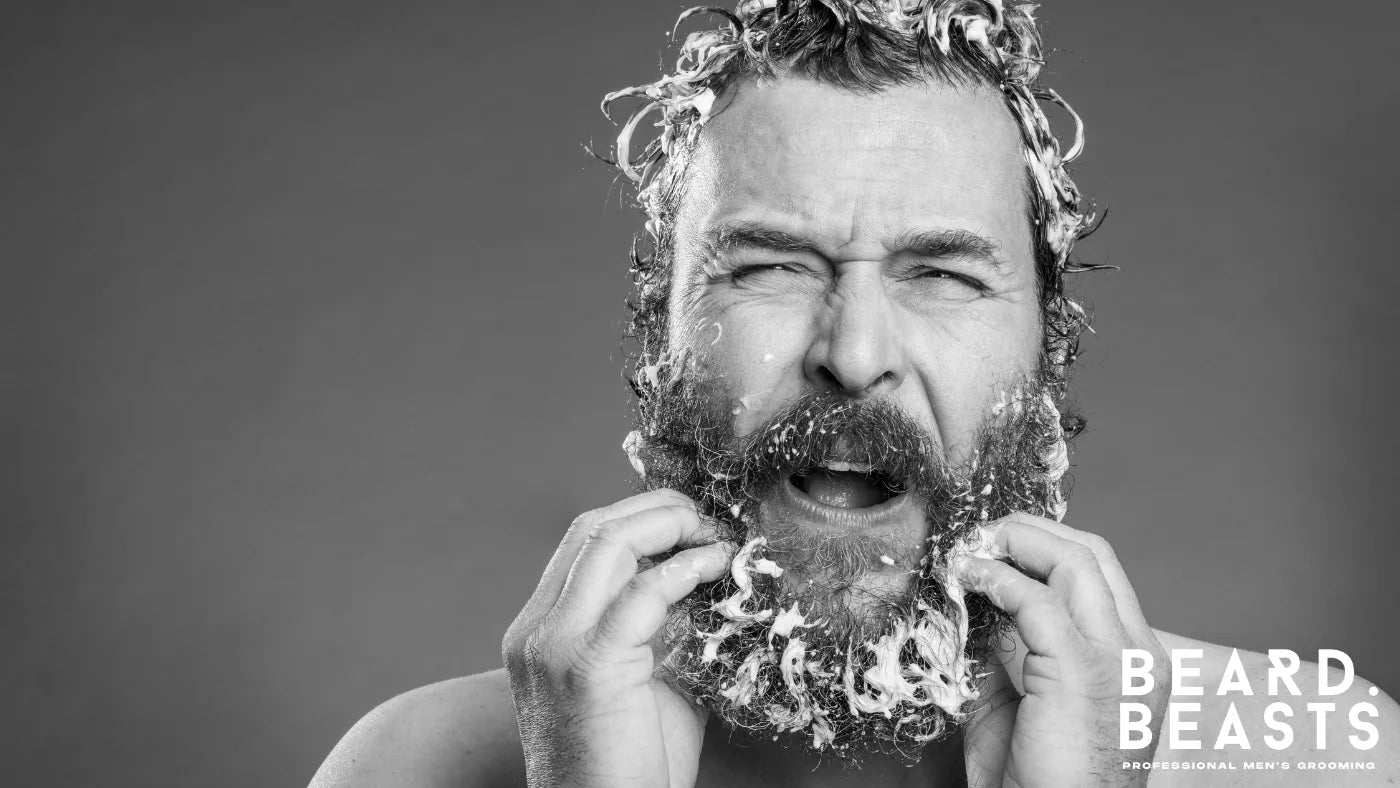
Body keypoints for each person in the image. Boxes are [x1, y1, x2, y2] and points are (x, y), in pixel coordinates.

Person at [310, 1, 1400, 785]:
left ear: (1047, 341)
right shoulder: (409, 766)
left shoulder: (1315, 755)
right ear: (662, 331)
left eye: (941, 271)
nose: (854, 349)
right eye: (770, 264)